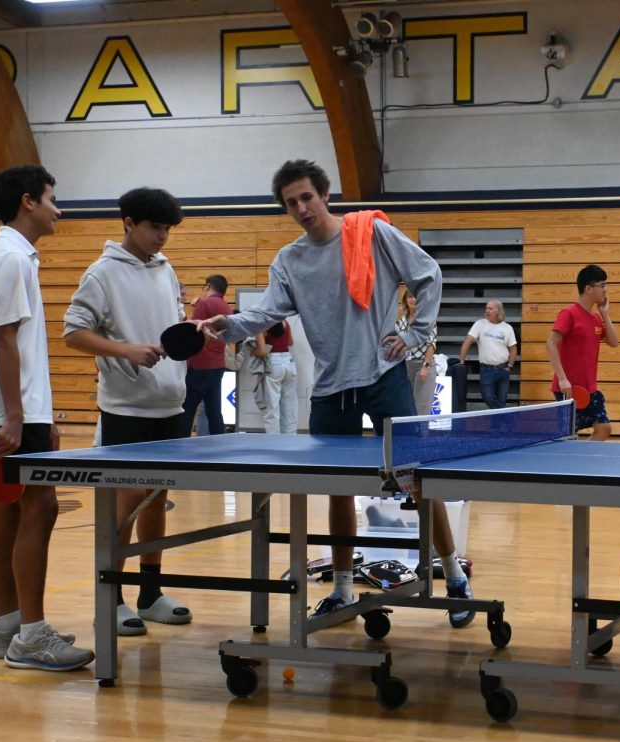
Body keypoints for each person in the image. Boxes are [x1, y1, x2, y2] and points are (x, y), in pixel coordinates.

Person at [195, 159, 475, 625]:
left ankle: (453, 574)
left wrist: (414, 335)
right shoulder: (289, 260)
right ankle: (344, 589)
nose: (301, 208)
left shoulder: (371, 234)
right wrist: (227, 326)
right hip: (330, 389)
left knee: (419, 481)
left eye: (307, 197)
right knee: (338, 492)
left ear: (325, 196)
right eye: (291, 202)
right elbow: (265, 314)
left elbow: (429, 275)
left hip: (383, 378)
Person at [0, 164, 94, 671]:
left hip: (13, 407)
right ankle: (32, 638)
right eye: (51, 198)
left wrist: (41, 414)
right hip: (9, 410)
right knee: (41, 508)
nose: (57, 208)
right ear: (28, 202)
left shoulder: (10, 256)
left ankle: (8, 625)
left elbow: (18, 345)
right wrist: (18, 418)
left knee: (11, 509)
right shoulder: (10, 259)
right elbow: (3, 341)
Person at [63, 187, 193, 636]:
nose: (162, 237)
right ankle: (112, 598)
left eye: (168, 229)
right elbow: (73, 333)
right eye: (155, 227)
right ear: (129, 223)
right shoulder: (101, 274)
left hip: (169, 404)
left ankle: (150, 592)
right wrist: (125, 350)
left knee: (157, 498)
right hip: (126, 408)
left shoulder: (166, 269)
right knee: (126, 501)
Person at [547, 264, 619, 439]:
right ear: (588, 288)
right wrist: (562, 379)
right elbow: (551, 343)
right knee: (569, 436)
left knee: (604, 428)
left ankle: (582, 461)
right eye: (602, 285)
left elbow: (614, 342)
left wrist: (605, 314)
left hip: (590, 389)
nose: (605, 289)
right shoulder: (569, 313)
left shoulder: (595, 318)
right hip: (569, 389)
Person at [182, 274, 233, 435]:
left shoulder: (204, 304)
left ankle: (178, 443)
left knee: (187, 408)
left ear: (208, 286)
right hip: (218, 364)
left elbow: (195, 334)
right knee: (214, 410)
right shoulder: (227, 308)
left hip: (200, 364)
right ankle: (219, 445)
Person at [460, 299, 518, 409]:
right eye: (486, 308)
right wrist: (461, 361)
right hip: (486, 370)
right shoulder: (479, 324)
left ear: (498, 311)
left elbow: (513, 348)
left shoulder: (507, 328)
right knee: (488, 397)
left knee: (501, 399)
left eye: (490, 308)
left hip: (503, 369)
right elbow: (467, 341)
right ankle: (505, 415)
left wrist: (510, 366)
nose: (487, 310)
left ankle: (495, 426)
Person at [396, 285, 437, 415]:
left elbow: (432, 344)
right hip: (405, 366)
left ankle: (422, 435)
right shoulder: (400, 321)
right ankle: (409, 435)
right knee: (406, 407)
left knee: (422, 407)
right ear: (405, 300)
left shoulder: (427, 319)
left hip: (423, 364)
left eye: (415, 297)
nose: (413, 300)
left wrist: (426, 366)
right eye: (410, 297)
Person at [256, 320, 299, 434]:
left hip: (273, 363)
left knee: (272, 407)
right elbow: (290, 342)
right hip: (289, 362)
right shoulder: (285, 322)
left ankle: (274, 442)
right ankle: (290, 441)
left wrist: (252, 352)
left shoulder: (262, 323)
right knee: (290, 407)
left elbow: (262, 351)